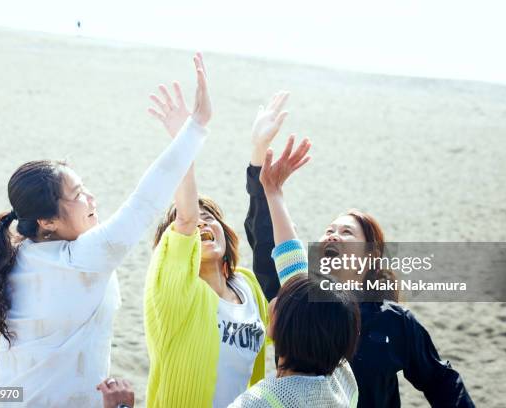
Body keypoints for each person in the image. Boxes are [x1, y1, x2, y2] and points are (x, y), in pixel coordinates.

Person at [0, 53, 211, 407]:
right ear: (47, 221)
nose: (91, 199)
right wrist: (197, 125)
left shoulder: (12, 258)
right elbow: (145, 201)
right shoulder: (82, 258)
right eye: (77, 195)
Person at [244, 97, 475, 407]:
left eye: (346, 232)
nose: (332, 236)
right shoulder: (298, 300)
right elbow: (267, 238)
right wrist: (260, 164)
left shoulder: (394, 321)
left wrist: (273, 188)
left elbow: (440, 380)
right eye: (329, 230)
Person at [144, 84, 280, 407]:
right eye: (193, 221)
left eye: (211, 218)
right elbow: (187, 220)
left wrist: (259, 151)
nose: (202, 223)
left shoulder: (247, 286)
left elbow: (265, 240)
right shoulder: (173, 293)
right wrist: (186, 137)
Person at [229, 137, 359, 407]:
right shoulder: (342, 379)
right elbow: (296, 271)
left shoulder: (260, 401)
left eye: (281, 300)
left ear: (287, 328)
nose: (273, 300)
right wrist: (273, 193)